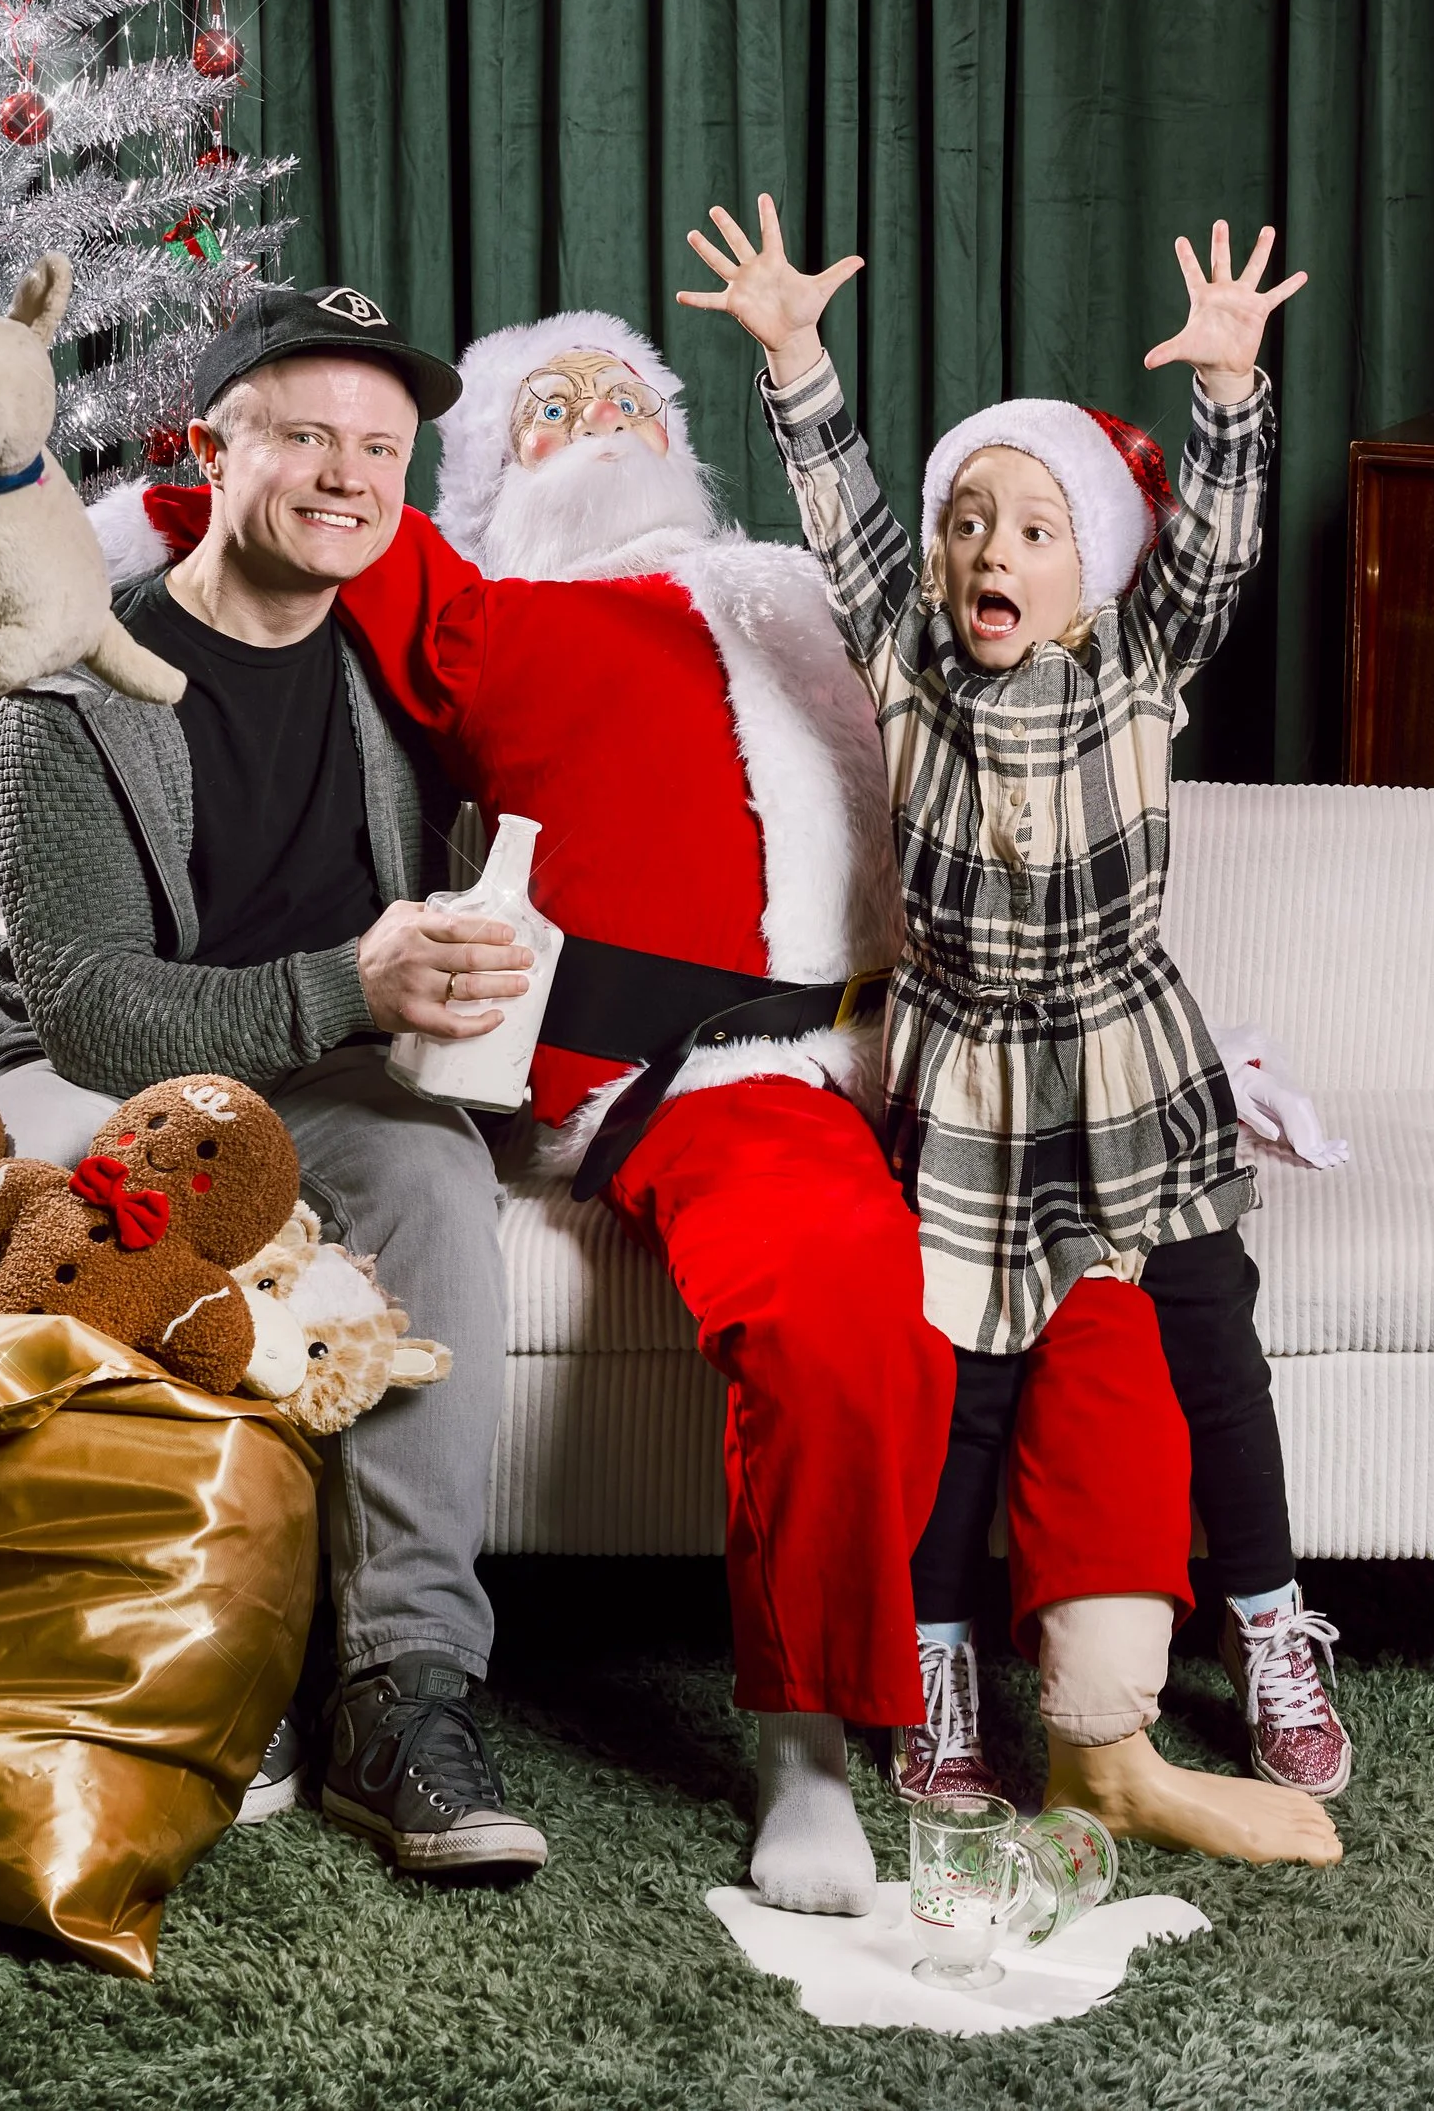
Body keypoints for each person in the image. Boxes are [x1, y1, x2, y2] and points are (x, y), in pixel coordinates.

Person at [682, 195, 1348, 1865]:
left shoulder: (1144, 658)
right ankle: (942, 1662)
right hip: (969, 1075)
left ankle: (1270, 1622)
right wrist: (795, 361)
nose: (994, 551)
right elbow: (840, 523)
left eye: (1036, 527)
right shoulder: (906, 659)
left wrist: (1231, 395)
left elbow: (1217, 544)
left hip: (1131, 1060)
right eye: (970, 522)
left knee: (1213, 1350)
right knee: (962, 1389)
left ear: (1096, 566)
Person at [311, 306, 952, 1916]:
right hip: (725, 1073)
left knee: (1130, 1266)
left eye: (619, 395)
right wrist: (34, 486)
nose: (592, 420)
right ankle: (807, 1740)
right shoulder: (486, 609)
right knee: (830, 1300)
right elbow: (289, 509)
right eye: (547, 407)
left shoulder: (804, 586)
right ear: (485, 476)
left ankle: (1100, 1686)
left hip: (950, 1043)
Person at [0, 284, 551, 1875]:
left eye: (381, 446)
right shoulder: (71, 689)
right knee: (83, 1201)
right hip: (118, 1075)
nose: (349, 475)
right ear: (212, 448)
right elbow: (85, 1008)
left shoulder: (403, 670)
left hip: (331, 1069)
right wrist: (346, 981)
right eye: (304, 435)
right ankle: (210, 1636)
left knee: (428, 1174)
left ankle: (403, 1684)